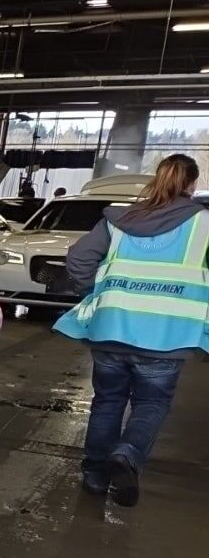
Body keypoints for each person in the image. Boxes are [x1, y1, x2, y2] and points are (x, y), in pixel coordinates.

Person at [55, 153, 209, 506]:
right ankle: (127, 454)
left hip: (111, 327)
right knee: (152, 403)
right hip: (167, 336)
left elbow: (78, 259)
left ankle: (95, 476)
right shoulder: (203, 225)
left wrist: (97, 292)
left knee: (107, 401)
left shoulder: (119, 218)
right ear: (191, 184)